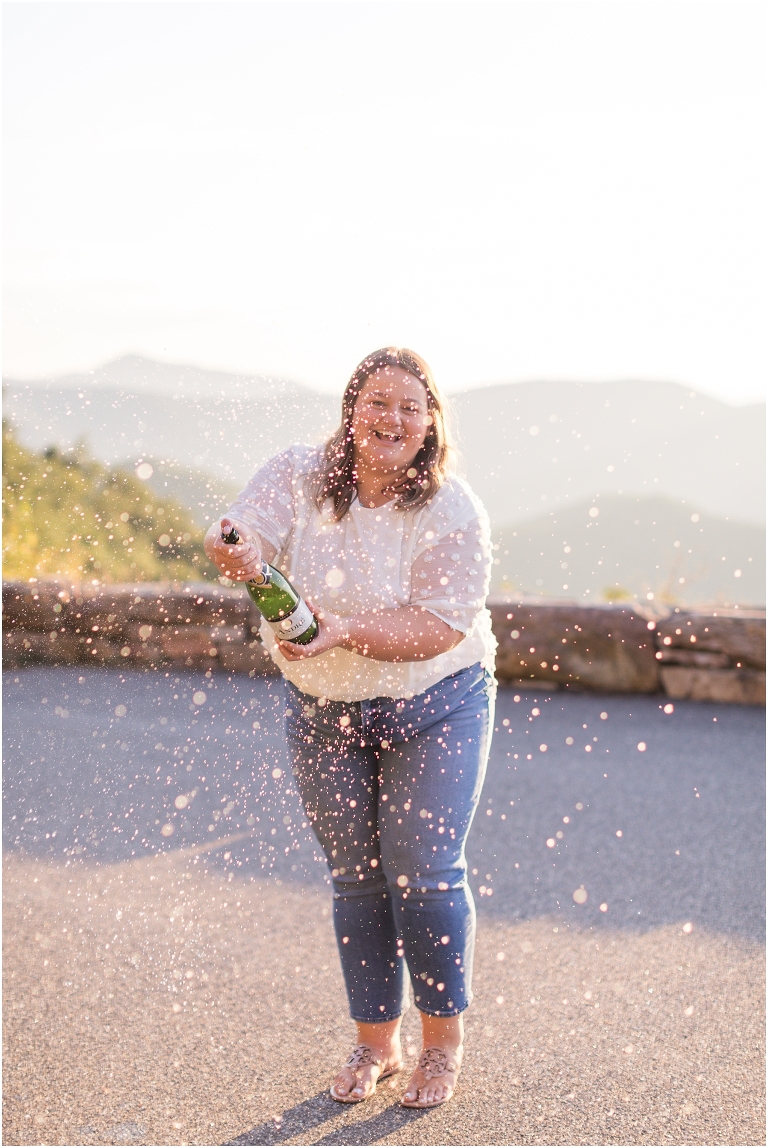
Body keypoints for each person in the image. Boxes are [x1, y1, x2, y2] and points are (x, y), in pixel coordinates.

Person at [205, 347, 496, 1109]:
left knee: (423, 870)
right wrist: (236, 549)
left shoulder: (450, 507)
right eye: (377, 403)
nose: (391, 419)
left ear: (430, 421)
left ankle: (441, 1047)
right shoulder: (300, 475)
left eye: (409, 406)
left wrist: (341, 630)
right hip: (324, 711)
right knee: (358, 878)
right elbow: (248, 534)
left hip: (438, 702)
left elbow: (437, 626)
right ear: (351, 410)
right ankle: (376, 1044)